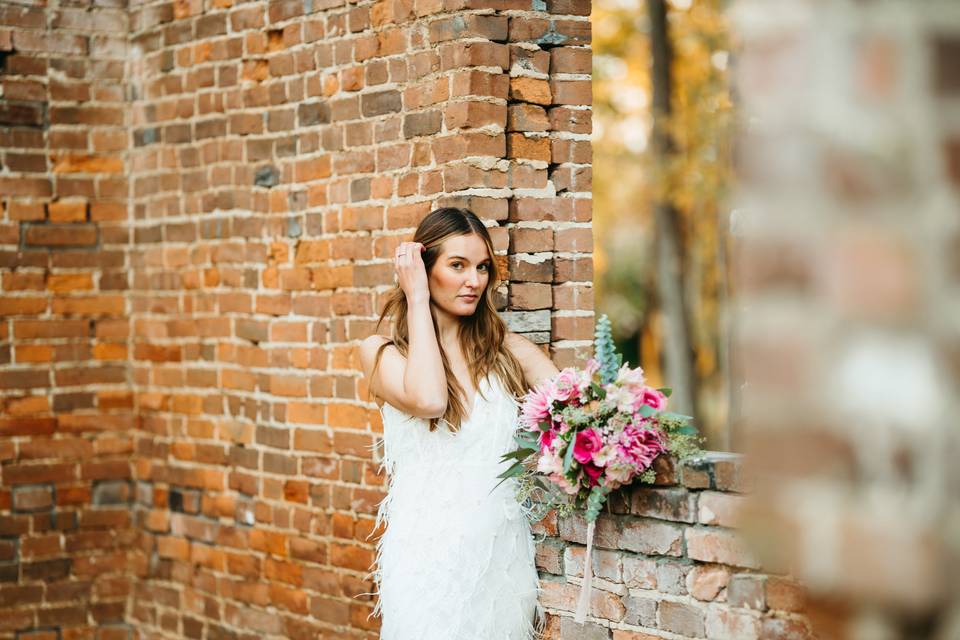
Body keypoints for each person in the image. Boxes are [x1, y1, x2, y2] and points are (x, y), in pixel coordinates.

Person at [357, 207, 559, 640]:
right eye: (457, 266)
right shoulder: (381, 353)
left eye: (482, 267)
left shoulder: (509, 352)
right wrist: (415, 298)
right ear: (423, 269)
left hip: (500, 562)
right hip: (428, 563)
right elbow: (429, 400)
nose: (474, 280)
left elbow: (576, 412)